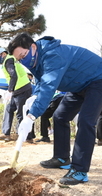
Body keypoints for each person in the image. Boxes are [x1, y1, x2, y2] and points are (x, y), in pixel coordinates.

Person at [7, 32, 102, 185]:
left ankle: (79, 170)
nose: (23, 61)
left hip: (98, 80)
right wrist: (33, 99)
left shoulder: (52, 55)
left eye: (23, 56)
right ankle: (62, 158)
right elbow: (40, 84)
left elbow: (49, 87)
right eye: (19, 60)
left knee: (86, 121)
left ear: (32, 47)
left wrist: (32, 116)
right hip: (78, 86)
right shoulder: (37, 59)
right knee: (60, 116)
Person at [0, 47, 33, 142]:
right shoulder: (9, 60)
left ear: (3, 54)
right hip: (17, 89)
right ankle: (6, 133)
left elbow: (13, 75)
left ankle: (27, 137)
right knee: (9, 108)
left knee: (21, 113)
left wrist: (9, 91)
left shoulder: (8, 60)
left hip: (22, 88)